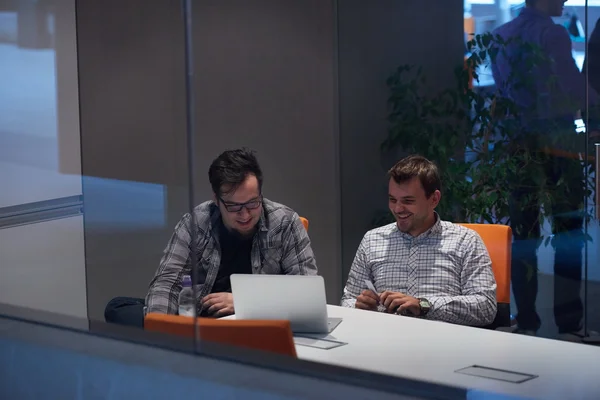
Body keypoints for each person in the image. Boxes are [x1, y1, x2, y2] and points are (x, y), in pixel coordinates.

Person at [491, 0, 594, 339]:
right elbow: (574, 90)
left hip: (518, 147)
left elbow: (502, 95)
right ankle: (568, 325)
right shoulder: (553, 35)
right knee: (569, 234)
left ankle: (528, 322)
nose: (564, 0)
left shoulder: (501, 35)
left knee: (524, 237)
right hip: (558, 144)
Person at [144, 148, 318, 317]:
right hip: (203, 324)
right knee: (122, 308)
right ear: (216, 200)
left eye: (252, 203)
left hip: (260, 324)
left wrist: (245, 302)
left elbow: (306, 292)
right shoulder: (196, 223)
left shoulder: (284, 223)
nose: (245, 214)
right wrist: (160, 329)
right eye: (234, 207)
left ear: (261, 193)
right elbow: (167, 283)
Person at [341, 156, 497, 327]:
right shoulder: (372, 240)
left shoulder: (466, 241)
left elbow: (485, 307)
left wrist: (424, 305)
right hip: (384, 340)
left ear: (434, 199)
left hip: (444, 344)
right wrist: (360, 306)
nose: (398, 209)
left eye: (408, 201)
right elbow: (348, 300)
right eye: (393, 200)